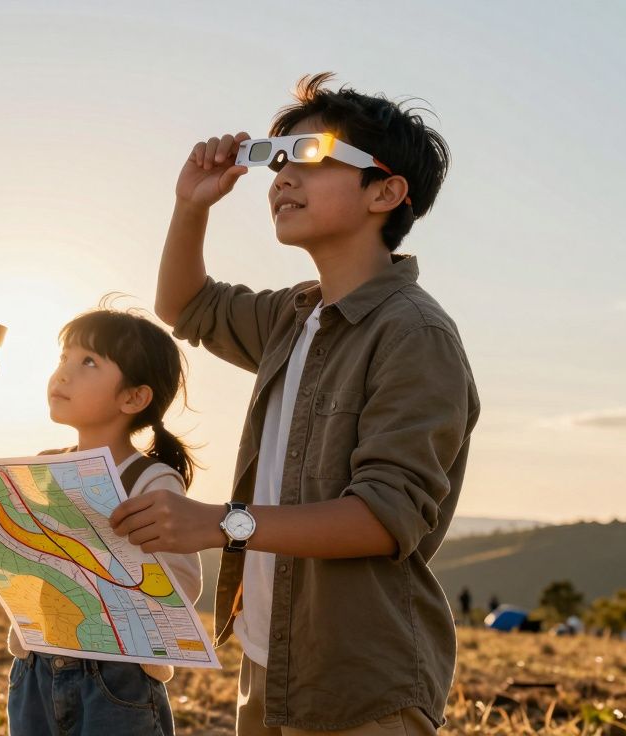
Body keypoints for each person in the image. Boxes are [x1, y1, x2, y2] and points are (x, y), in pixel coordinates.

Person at [113, 73, 479, 735]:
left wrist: (221, 523)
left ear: (386, 191)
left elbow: (383, 518)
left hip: (362, 683)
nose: (282, 178)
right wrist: (191, 204)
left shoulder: (414, 335)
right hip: (269, 664)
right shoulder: (294, 315)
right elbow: (183, 306)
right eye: (277, 162)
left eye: (311, 158)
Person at [0, 308, 203, 736]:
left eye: (88, 362)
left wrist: (108, 554)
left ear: (133, 398)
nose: (62, 374)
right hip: (33, 672)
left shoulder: (151, 480)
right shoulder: (40, 471)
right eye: (63, 358)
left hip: (118, 681)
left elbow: (183, 587)